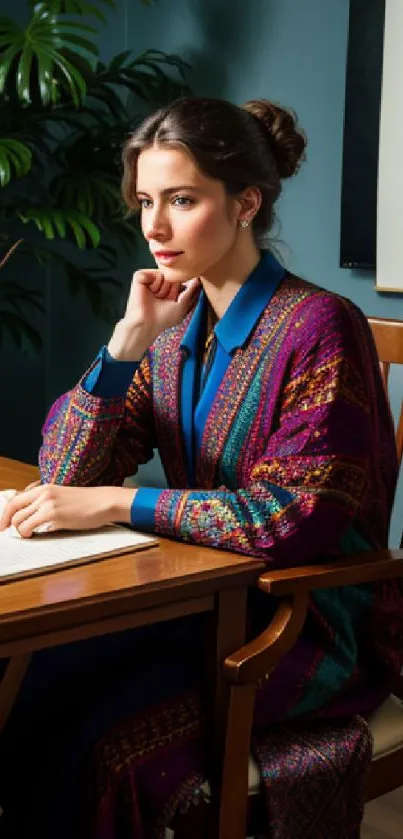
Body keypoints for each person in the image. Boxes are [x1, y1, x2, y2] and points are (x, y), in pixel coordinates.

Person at [1, 96, 402, 838]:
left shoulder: (320, 327)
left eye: (181, 200)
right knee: (30, 686)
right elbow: (65, 473)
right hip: (191, 604)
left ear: (244, 201)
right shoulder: (173, 327)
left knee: (103, 744)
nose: (154, 225)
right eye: (147, 200)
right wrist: (124, 343)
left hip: (301, 625)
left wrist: (121, 507)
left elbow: (291, 518)